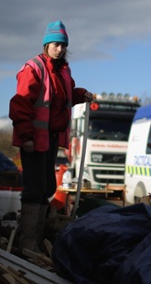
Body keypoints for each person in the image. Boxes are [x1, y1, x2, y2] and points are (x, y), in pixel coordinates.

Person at [9, 20, 94, 253]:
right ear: (46, 45)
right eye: (56, 44)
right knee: (34, 188)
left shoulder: (63, 72)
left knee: (46, 187)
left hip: (51, 138)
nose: (60, 49)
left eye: (63, 45)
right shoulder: (33, 68)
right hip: (34, 139)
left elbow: (63, 98)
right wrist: (26, 136)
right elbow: (20, 104)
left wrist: (80, 94)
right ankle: (28, 242)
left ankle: (37, 238)